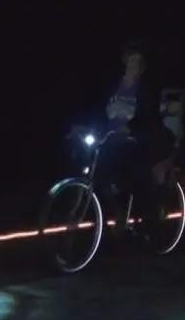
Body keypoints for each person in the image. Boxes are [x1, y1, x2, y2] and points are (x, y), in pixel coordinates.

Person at [75, 39, 176, 235]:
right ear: (125, 61)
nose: (134, 65)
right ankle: (115, 212)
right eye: (131, 60)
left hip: (134, 140)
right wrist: (83, 125)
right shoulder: (112, 85)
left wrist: (130, 128)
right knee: (96, 171)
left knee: (132, 174)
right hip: (110, 137)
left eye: (138, 61)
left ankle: (146, 214)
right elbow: (97, 109)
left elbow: (148, 115)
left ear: (142, 66)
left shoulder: (145, 90)